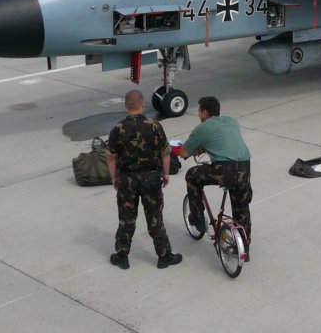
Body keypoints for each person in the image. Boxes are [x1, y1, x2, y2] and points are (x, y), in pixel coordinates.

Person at [106, 89, 182, 270]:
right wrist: (165, 174)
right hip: (151, 179)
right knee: (155, 217)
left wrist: (114, 176)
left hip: (127, 180)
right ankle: (164, 256)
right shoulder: (154, 126)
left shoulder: (117, 128)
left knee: (126, 218)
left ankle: (122, 256)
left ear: (126, 105)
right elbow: (165, 153)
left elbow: (110, 156)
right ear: (143, 104)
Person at [179, 96, 253, 255]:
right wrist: (207, 148)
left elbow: (184, 152)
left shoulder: (203, 127)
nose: (198, 115)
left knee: (191, 176)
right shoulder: (232, 121)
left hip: (224, 170)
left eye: (199, 111)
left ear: (205, 112)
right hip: (245, 168)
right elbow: (224, 142)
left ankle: (198, 218)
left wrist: (193, 150)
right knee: (241, 207)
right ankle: (244, 246)